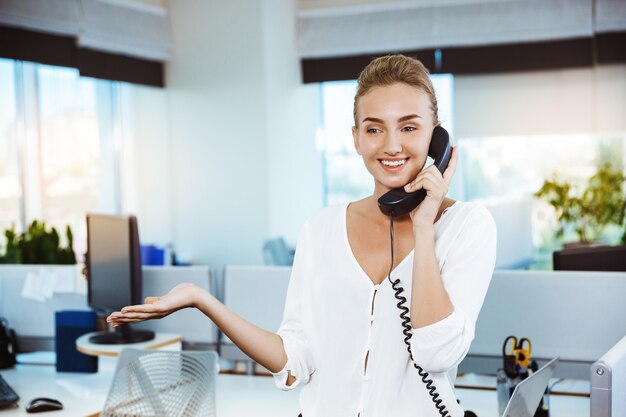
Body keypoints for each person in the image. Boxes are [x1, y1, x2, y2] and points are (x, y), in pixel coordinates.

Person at [107, 54, 497, 417]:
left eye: (409, 127)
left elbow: (437, 353)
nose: (391, 145)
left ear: (436, 139)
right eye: (374, 129)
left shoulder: (467, 226)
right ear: (357, 139)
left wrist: (424, 226)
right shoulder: (320, 230)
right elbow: (294, 358)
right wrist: (202, 299)